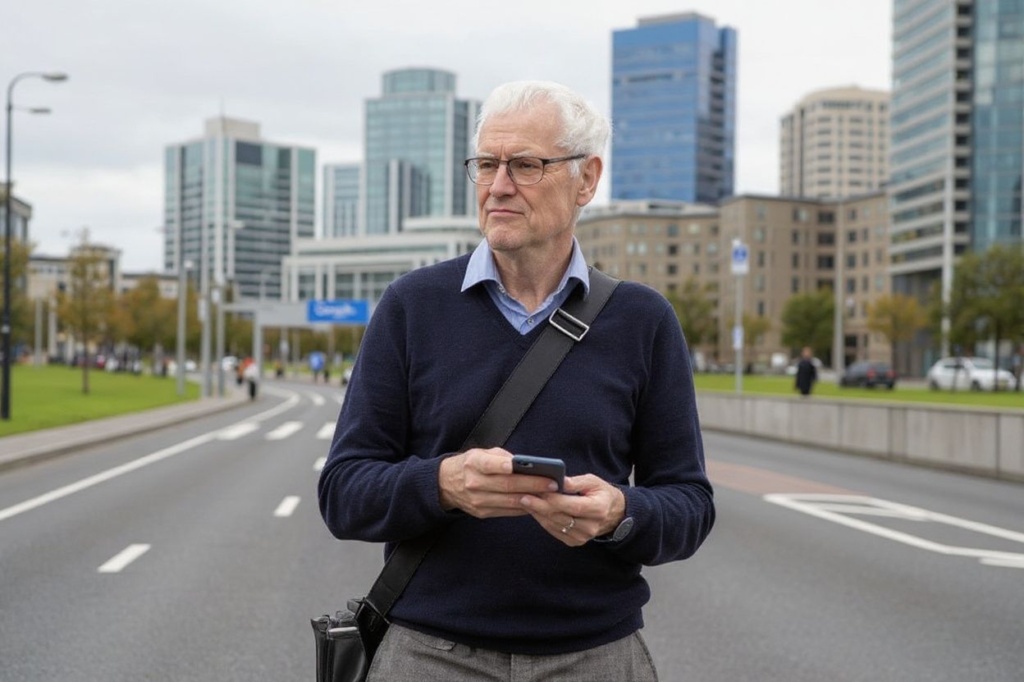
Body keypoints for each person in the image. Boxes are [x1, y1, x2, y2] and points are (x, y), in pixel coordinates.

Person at [318, 80, 714, 681]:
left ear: (586, 179)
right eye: (486, 164)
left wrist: (619, 513)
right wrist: (443, 484)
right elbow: (343, 493)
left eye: (526, 165)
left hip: (595, 656)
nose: (498, 185)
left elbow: (689, 503)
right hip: (429, 654)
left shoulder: (643, 320)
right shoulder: (411, 307)